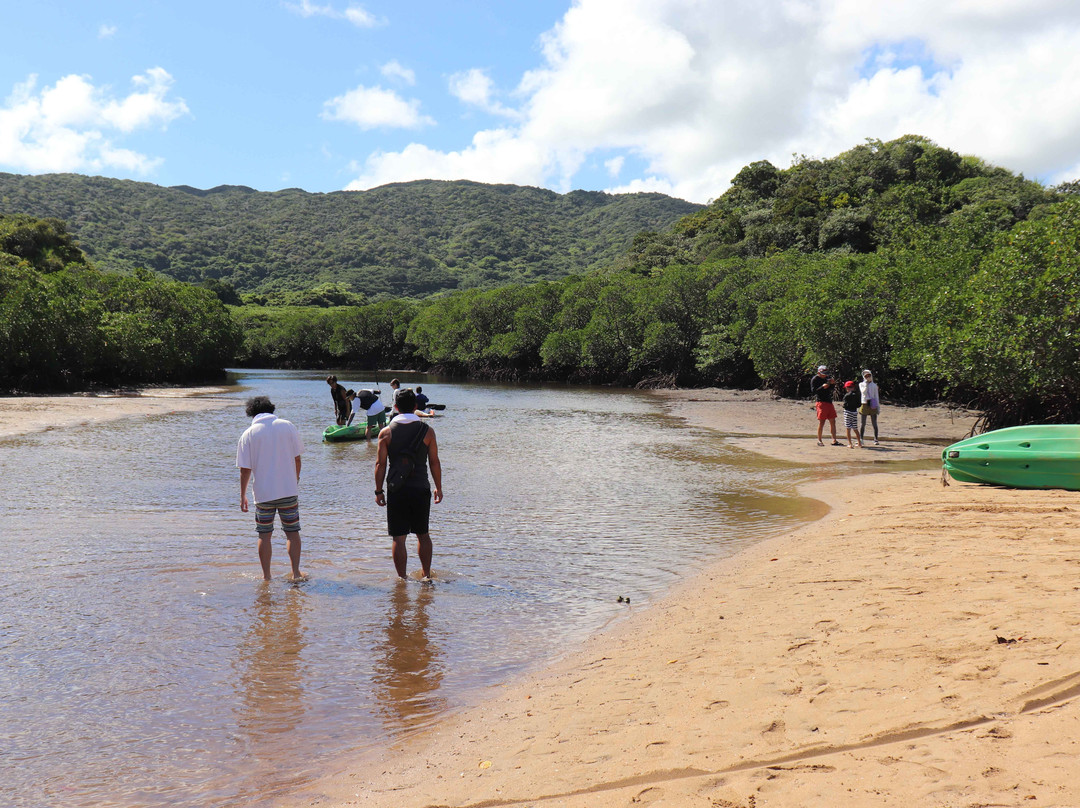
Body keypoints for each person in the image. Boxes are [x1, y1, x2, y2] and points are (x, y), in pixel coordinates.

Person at [375, 388, 443, 581]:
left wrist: (379, 491)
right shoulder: (427, 431)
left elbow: (380, 464)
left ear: (395, 407)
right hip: (421, 488)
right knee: (423, 534)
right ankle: (426, 575)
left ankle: (402, 579)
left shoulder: (386, 433)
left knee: (399, 537)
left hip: (397, 489)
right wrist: (438, 486)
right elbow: (434, 462)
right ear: (415, 406)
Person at [236, 396, 306, 581]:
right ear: (271, 409)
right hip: (288, 490)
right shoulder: (288, 426)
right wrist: (295, 479)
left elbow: (245, 470)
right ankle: (296, 573)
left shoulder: (248, 434)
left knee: (264, 535)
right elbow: (297, 458)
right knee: (292, 533)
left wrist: (242, 495)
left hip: (263, 494)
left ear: (251, 413)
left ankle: (267, 577)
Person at [811, 365, 841, 446]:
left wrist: (832, 384)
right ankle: (819, 440)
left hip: (829, 401)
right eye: (823, 374)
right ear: (819, 373)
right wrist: (822, 387)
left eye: (826, 374)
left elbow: (830, 389)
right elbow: (814, 391)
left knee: (833, 421)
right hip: (821, 402)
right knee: (822, 422)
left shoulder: (827, 378)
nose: (825, 375)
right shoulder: (815, 379)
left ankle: (834, 440)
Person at [859, 369, 881, 445]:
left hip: (872, 403)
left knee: (874, 423)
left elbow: (876, 396)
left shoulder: (874, 385)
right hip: (865, 403)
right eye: (866, 376)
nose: (868, 377)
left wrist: (878, 407)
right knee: (863, 423)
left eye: (869, 375)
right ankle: (861, 438)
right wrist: (866, 384)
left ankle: (876, 439)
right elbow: (863, 392)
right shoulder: (861, 384)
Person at [842, 380, 863, 449]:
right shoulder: (857, 395)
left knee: (848, 428)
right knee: (855, 428)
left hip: (848, 412)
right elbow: (859, 404)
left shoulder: (847, 395)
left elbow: (844, 405)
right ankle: (859, 443)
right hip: (854, 412)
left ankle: (850, 444)